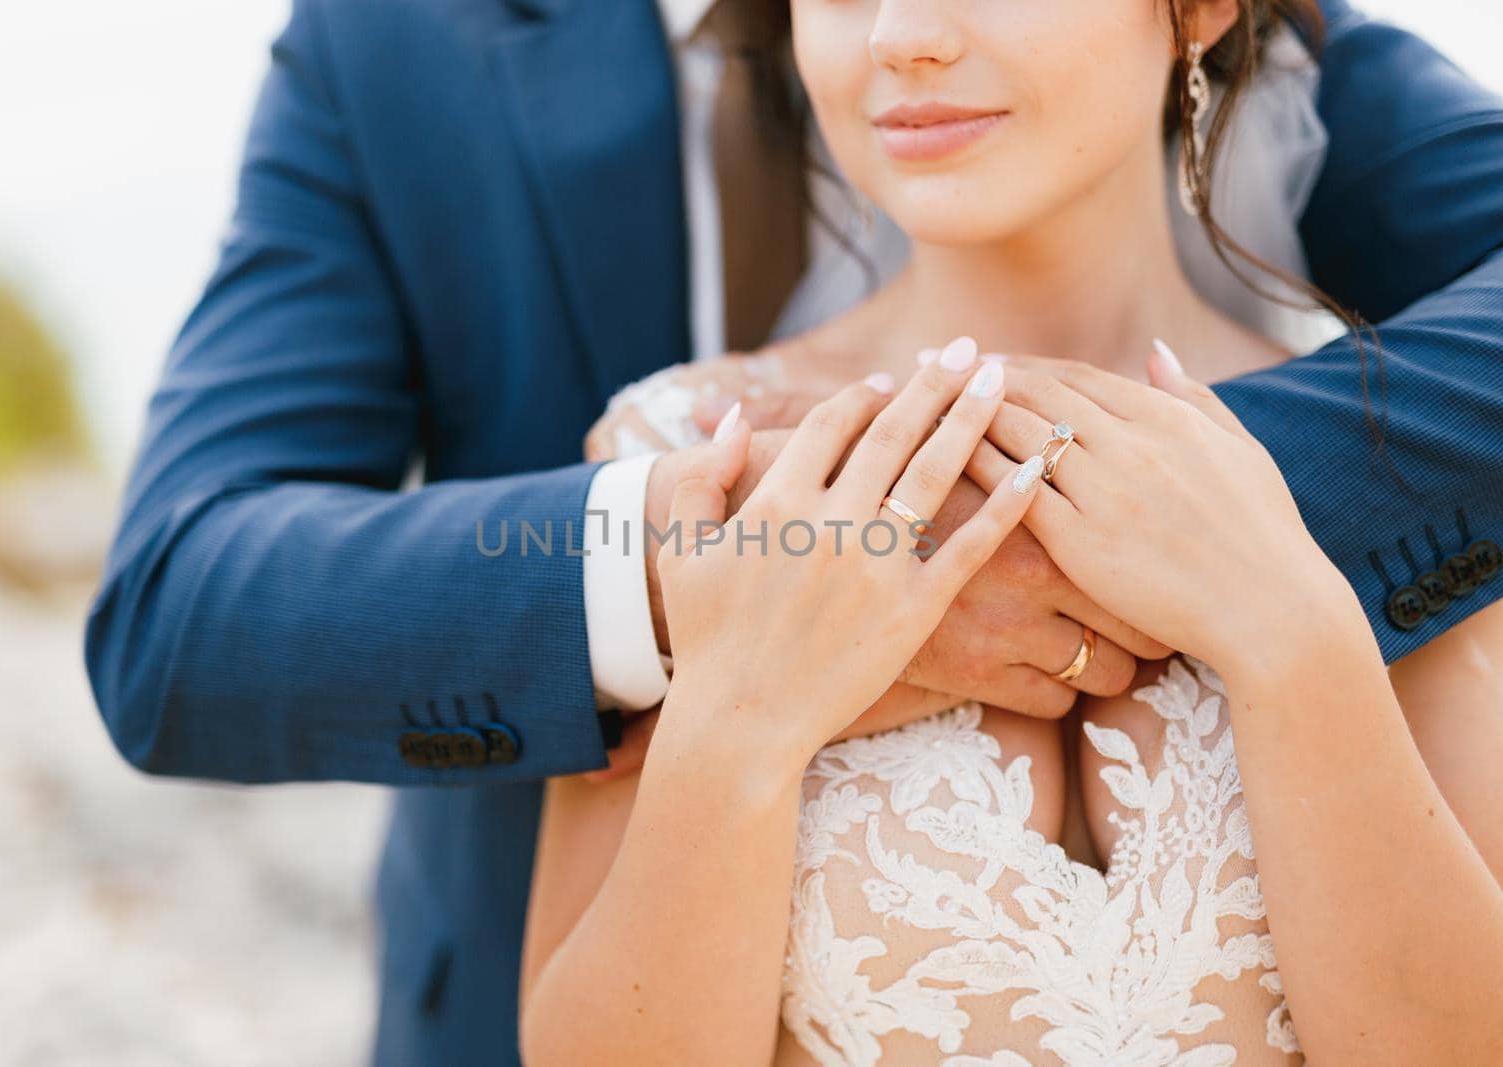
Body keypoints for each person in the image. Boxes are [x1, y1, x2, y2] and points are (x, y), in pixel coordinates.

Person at [81, 0, 1503, 1062]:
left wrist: (1276, 607)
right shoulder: (685, 439)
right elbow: (180, 607)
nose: (901, 36)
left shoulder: (1391, 457)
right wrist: (725, 637)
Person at [517, 2, 1503, 1062]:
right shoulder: (687, 461)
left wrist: (1292, 636)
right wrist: (741, 718)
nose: (900, 34)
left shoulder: (1392, 448)